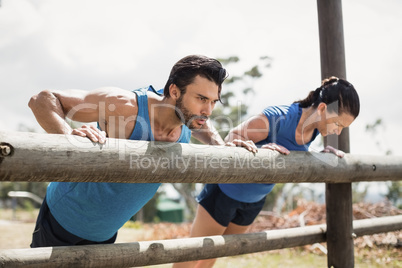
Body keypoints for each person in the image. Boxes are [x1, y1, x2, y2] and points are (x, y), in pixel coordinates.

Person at [28, 54, 227, 247]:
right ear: (174, 92)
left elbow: (203, 125)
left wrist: (223, 146)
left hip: (105, 233)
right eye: (201, 99)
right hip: (62, 219)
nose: (208, 111)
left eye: (213, 101)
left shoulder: (188, 117)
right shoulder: (124, 106)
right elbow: (42, 100)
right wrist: (69, 136)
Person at [173, 76, 360, 268]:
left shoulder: (311, 131)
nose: (338, 132)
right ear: (322, 109)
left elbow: (290, 151)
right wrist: (262, 153)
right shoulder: (280, 118)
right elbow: (232, 137)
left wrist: (320, 155)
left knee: (215, 252)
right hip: (224, 191)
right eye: (338, 125)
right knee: (194, 252)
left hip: (254, 201)